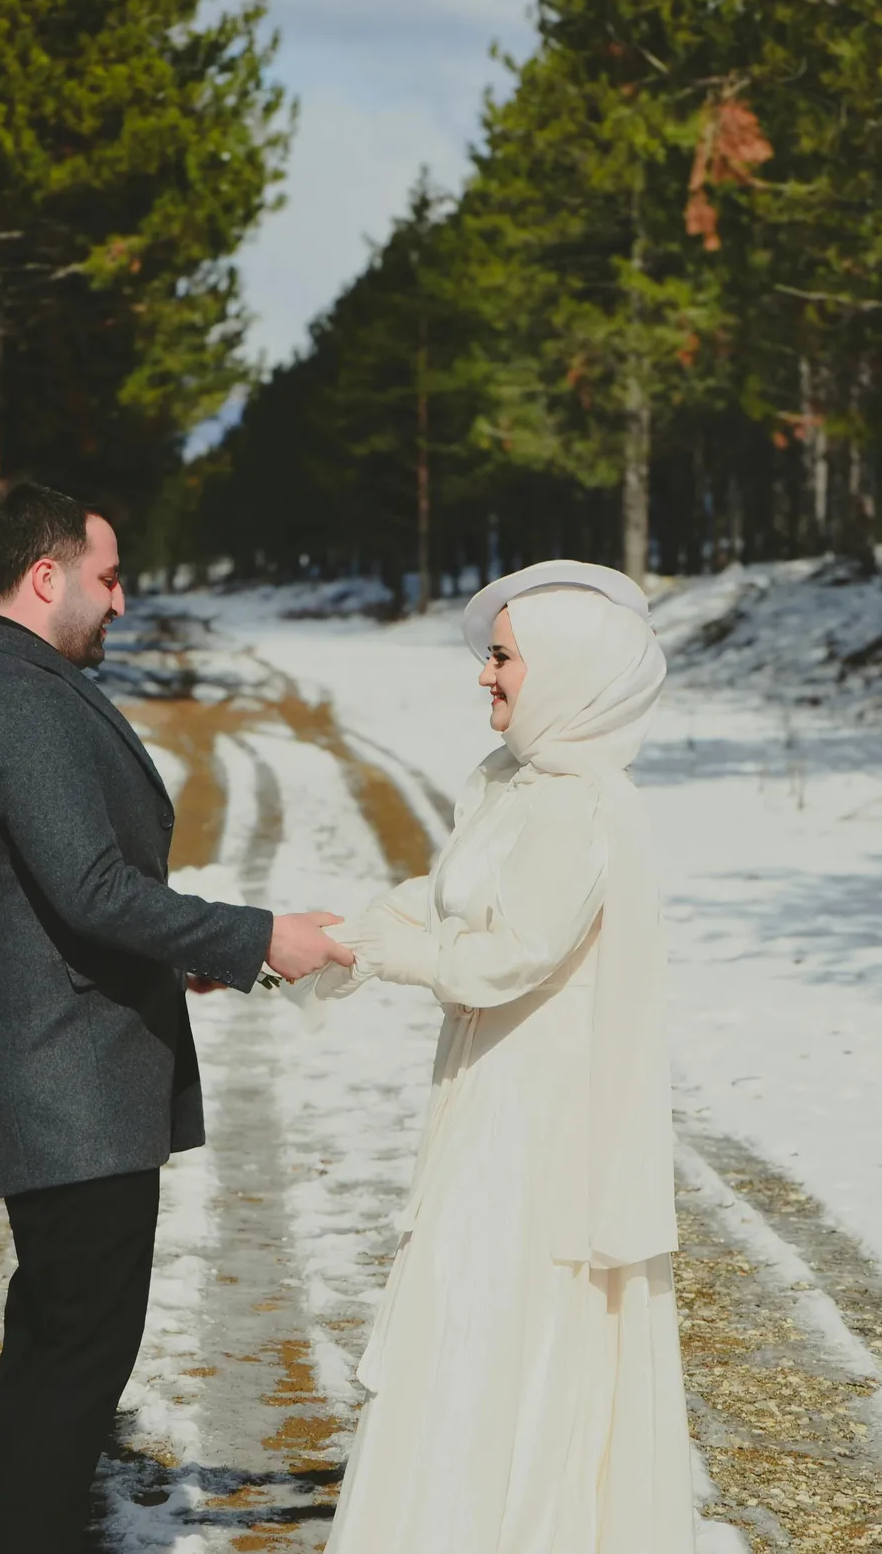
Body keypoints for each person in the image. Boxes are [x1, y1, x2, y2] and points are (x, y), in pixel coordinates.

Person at [0, 482, 353, 1554]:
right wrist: (255, 938)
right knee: (71, 1355)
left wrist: (177, 963)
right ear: (45, 574)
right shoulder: (14, 696)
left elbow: (70, 898)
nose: (122, 601)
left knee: (66, 1346)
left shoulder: (12, 682)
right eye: (109, 578)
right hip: (67, 1082)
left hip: (73, 1069)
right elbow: (93, 889)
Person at [305, 559, 693, 1551]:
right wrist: (326, 938)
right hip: (491, 1107)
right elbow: (443, 899)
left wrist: (380, 951)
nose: (487, 675)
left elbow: (499, 958)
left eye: (504, 657)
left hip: (538, 1134)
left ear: (564, 671)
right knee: (468, 1321)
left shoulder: (583, 807)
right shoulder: (521, 786)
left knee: (494, 1323)